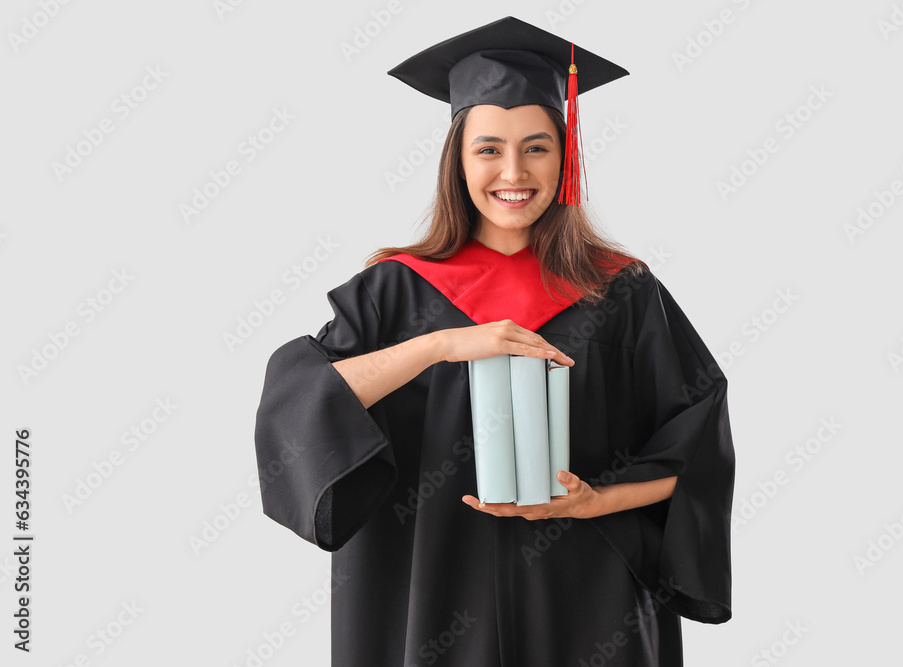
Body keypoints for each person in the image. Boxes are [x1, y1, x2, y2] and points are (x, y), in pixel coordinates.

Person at [254, 16, 735, 666]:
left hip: (591, 602)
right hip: (435, 600)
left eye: (536, 146)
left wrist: (597, 498)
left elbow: (698, 438)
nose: (514, 170)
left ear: (565, 155)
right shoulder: (393, 289)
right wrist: (442, 345)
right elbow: (302, 402)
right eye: (488, 148)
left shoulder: (621, 291)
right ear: (457, 156)